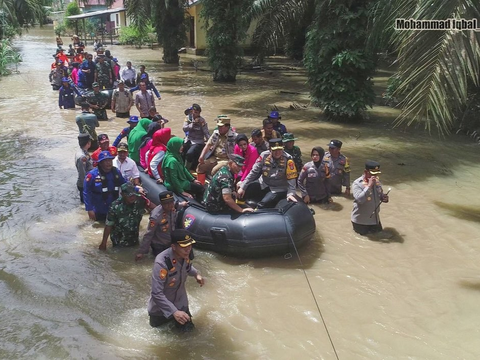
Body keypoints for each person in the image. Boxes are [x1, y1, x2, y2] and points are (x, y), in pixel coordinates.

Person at [147, 229, 204, 331]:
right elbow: (156, 293)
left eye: (190, 246)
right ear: (173, 247)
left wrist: (196, 274)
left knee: (190, 334)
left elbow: (187, 267)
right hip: (160, 310)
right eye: (184, 247)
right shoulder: (161, 263)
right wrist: (174, 312)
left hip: (180, 304)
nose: (188, 250)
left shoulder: (185, 255)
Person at [238, 138, 298, 209]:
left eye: (279, 150)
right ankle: (238, 208)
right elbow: (254, 172)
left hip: (278, 188)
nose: (277, 152)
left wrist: (291, 194)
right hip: (263, 183)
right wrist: (243, 186)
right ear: (270, 149)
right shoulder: (264, 155)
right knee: (245, 190)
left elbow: (292, 178)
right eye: (274, 150)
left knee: (263, 203)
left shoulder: (288, 159)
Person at [99, 183, 154, 250]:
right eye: (129, 196)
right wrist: (103, 243)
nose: (132, 198)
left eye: (134, 195)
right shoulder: (115, 207)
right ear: (122, 195)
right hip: (119, 242)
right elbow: (108, 225)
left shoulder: (140, 200)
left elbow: (154, 209)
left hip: (134, 239)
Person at [135, 191, 184, 260]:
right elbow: (149, 234)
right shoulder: (156, 216)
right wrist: (141, 252)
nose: (170, 205)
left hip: (170, 241)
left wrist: (183, 204)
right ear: (161, 204)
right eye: (166, 203)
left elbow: (176, 205)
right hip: (159, 245)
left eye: (171, 202)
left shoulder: (172, 209)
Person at [83, 151, 126, 222]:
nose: (108, 163)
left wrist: (136, 188)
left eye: (109, 160)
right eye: (105, 161)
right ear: (100, 163)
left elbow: (125, 184)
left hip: (113, 208)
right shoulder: (92, 175)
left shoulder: (116, 172)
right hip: (98, 209)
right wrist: (89, 209)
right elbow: (86, 192)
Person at [351, 161, 389, 235]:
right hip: (361, 221)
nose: (375, 176)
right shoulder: (357, 184)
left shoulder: (377, 182)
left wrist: (383, 197)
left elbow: (379, 194)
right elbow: (360, 200)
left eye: (376, 173)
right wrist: (369, 186)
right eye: (372, 174)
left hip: (375, 219)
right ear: (366, 171)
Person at [196, 116, 237, 184]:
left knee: (214, 171)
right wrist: (201, 156)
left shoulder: (234, 136)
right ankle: (201, 187)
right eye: (218, 126)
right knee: (200, 167)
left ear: (227, 127)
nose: (219, 128)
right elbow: (208, 145)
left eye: (221, 126)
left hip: (227, 159)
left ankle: (214, 188)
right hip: (215, 158)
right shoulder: (216, 133)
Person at [182, 103, 210, 171]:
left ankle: (186, 170)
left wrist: (210, 142)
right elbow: (184, 128)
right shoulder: (188, 118)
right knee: (181, 150)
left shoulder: (202, 121)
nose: (194, 114)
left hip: (198, 141)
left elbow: (206, 132)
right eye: (193, 112)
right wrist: (192, 124)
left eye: (196, 112)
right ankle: (181, 166)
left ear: (199, 113)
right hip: (189, 138)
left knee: (190, 153)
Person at [75, 133, 93, 203]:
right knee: (86, 204)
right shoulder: (82, 157)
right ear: (88, 143)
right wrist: (86, 186)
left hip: (86, 182)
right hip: (84, 184)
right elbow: (82, 174)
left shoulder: (84, 152)